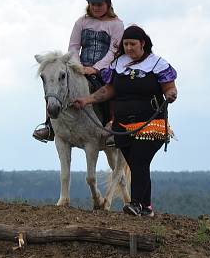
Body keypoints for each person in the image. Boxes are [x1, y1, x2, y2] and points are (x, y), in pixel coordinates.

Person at [71, 25, 177, 217]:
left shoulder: (158, 64)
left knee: (139, 161)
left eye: (132, 44)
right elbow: (109, 90)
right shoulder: (118, 64)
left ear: (143, 44)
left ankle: (135, 204)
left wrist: (171, 94)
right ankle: (146, 208)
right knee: (138, 165)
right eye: (126, 44)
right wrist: (87, 100)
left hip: (150, 125)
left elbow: (169, 87)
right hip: (123, 127)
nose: (129, 48)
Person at [33, 0, 124, 142]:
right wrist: (79, 66)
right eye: (92, 4)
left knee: (112, 88)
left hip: (105, 68)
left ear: (108, 3)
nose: (95, 7)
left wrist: (96, 68)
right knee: (55, 84)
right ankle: (50, 126)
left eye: (99, 4)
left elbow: (113, 51)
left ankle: (111, 124)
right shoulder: (81, 22)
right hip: (80, 66)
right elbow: (74, 47)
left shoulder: (116, 25)